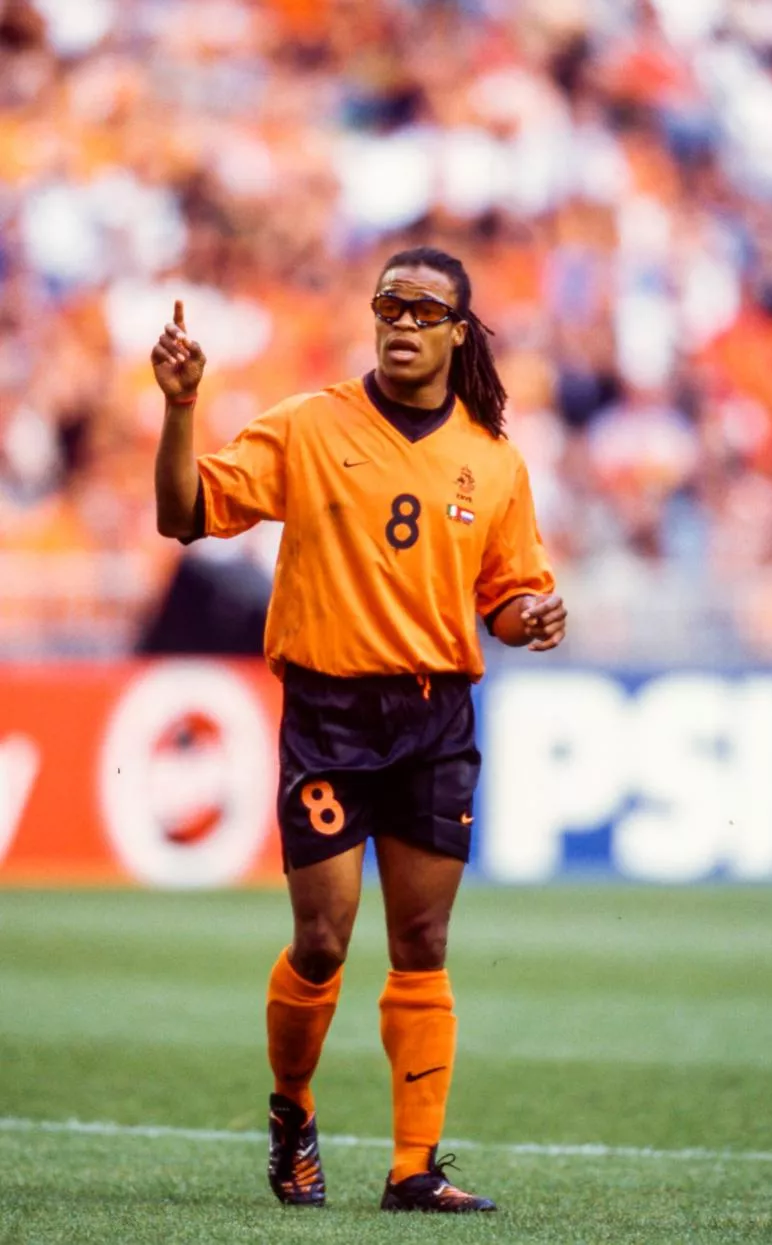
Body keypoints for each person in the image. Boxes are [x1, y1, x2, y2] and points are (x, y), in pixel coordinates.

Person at [151, 246, 567, 1214]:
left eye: (426, 309)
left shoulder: (490, 459)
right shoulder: (307, 425)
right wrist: (180, 406)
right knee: (324, 940)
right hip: (330, 715)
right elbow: (182, 516)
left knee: (420, 940)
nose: (403, 320)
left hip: (433, 716)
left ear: (457, 333)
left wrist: (532, 619)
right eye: (389, 303)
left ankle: (411, 1168)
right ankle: (292, 1113)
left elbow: (508, 597)